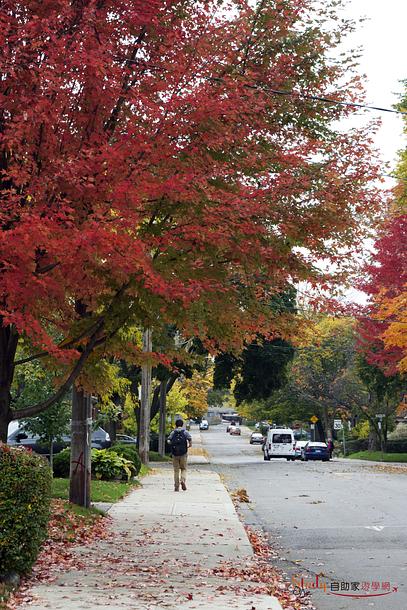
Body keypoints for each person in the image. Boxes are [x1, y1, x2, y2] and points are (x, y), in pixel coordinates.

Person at [167, 419, 192, 492]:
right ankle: (183, 480)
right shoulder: (185, 432)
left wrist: (171, 444)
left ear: (176, 425)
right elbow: (190, 439)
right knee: (184, 468)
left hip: (175, 454)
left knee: (176, 470)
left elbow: (168, 440)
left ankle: (176, 486)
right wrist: (189, 445)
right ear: (182, 425)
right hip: (183, 453)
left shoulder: (173, 432)